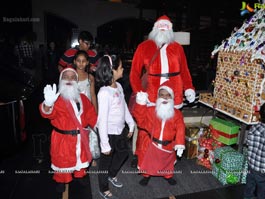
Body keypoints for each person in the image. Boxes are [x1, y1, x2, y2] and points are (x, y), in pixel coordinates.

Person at [129, 15, 195, 168]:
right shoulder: (144, 47)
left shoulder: (177, 48)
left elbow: (184, 70)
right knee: (144, 127)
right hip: (151, 94)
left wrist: (189, 87)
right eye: (161, 26)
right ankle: (140, 154)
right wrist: (139, 92)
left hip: (174, 94)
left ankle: (168, 159)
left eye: (166, 27)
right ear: (155, 28)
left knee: (171, 126)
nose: (163, 29)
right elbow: (134, 73)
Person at [39, 67, 97, 194]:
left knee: (80, 160)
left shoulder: (83, 98)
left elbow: (90, 115)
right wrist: (48, 104)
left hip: (80, 139)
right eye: (66, 77)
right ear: (61, 80)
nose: (69, 80)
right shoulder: (56, 99)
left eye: (73, 77)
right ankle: (61, 180)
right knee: (62, 163)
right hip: (62, 140)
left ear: (77, 81)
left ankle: (79, 175)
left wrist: (99, 127)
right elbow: (47, 114)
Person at [95, 54, 135, 199]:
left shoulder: (118, 86)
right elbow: (102, 119)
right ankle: (103, 187)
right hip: (108, 132)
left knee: (123, 153)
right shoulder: (104, 92)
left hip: (119, 130)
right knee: (105, 162)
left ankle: (112, 175)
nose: (123, 69)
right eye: (120, 67)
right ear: (112, 70)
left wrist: (131, 124)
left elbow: (123, 106)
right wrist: (104, 144)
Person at [132, 81, 185, 186]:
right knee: (148, 162)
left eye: (167, 95)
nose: (165, 98)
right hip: (152, 144)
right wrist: (140, 104)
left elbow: (180, 128)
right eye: (162, 95)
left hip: (168, 145)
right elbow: (140, 120)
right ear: (158, 97)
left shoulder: (177, 114)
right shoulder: (151, 110)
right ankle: (146, 176)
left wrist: (180, 144)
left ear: (172, 97)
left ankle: (168, 176)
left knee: (167, 164)